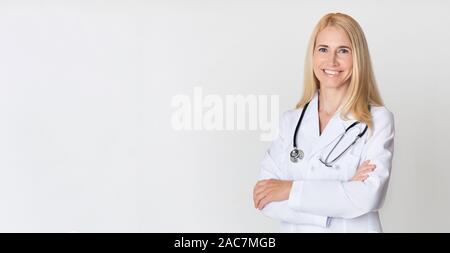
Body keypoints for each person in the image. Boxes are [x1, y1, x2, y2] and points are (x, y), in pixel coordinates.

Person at [253, 13, 395, 233]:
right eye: (323, 49)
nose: (331, 61)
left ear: (358, 58)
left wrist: (289, 189)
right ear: (312, 56)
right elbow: (264, 199)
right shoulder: (290, 122)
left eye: (343, 51)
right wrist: (343, 190)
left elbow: (368, 197)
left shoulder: (378, 120)